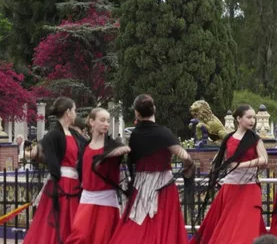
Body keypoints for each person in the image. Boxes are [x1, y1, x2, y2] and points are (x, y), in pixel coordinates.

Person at [109, 94, 194, 244]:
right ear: (154, 109)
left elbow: (131, 160)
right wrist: (188, 168)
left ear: (137, 113)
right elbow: (185, 156)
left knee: (137, 224)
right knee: (163, 223)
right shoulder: (164, 133)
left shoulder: (135, 134)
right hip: (164, 186)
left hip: (141, 185)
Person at [190, 104, 268, 244]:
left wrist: (241, 165)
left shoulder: (255, 139)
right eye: (249, 117)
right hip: (231, 187)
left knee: (249, 223)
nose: (252, 121)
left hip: (250, 186)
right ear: (239, 118)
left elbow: (264, 159)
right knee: (228, 223)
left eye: (254, 118)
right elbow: (219, 159)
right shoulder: (229, 139)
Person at [24, 97, 88, 244]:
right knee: (58, 224)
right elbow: (38, 152)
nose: (75, 113)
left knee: (73, 223)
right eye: (74, 110)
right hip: (61, 184)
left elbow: (88, 148)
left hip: (74, 184)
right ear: (67, 113)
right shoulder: (54, 134)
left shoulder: (74, 134)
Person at [65, 108, 130, 244]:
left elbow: (126, 149)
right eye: (102, 120)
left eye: (107, 120)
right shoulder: (85, 145)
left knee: (103, 238)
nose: (106, 123)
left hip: (106, 199)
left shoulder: (111, 144)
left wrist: (105, 156)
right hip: (87, 197)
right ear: (92, 122)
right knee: (79, 235)